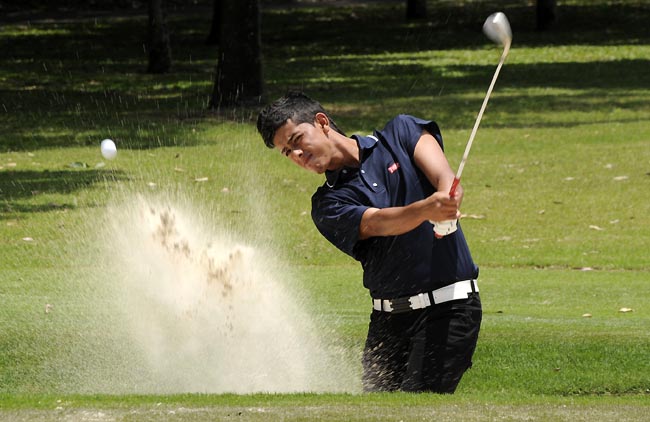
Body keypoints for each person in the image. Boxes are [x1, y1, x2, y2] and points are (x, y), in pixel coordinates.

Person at [256, 92, 481, 393]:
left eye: (297, 140)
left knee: (417, 410)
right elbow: (377, 223)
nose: (297, 155)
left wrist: (446, 202)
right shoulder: (327, 204)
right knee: (377, 411)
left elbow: (445, 178)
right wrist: (427, 209)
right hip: (387, 322)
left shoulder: (402, 133)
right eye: (287, 152)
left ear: (321, 122)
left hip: (448, 309)